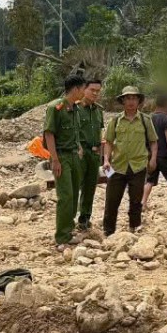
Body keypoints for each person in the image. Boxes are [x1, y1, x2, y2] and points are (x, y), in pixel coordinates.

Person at [101, 86, 157, 235]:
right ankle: (108, 230)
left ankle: (134, 226)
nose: (131, 101)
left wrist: (153, 160)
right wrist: (106, 159)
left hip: (138, 166)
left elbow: (153, 141)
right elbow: (109, 142)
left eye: (134, 98)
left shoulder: (145, 120)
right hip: (117, 165)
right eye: (128, 98)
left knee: (136, 200)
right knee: (112, 199)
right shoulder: (115, 120)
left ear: (138, 101)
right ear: (123, 101)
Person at [44, 74, 87, 250]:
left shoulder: (75, 109)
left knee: (74, 194)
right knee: (66, 196)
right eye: (83, 88)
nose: (84, 92)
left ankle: (68, 231)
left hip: (74, 156)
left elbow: (75, 133)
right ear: (76, 89)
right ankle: (62, 236)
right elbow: (49, 134)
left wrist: (79, 149)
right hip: (61, 156)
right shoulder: (56, 107)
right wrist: (54, 159)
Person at [75, 77, 105, 233]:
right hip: (80, 153)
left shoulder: (98, 111)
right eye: (92, 90)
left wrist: (102, 153)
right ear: (84, 90)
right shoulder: (76, 109)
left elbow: (100, 132)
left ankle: (84, 219)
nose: (95, 93)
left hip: (94, 154)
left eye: (98, 91)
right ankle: (69, 219)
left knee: (90, 188)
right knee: (75, 186)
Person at [145, 94, 167, 215]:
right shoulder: (166, 119)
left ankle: (143, 203)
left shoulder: (148, 119)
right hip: (165, 155)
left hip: (151, 155)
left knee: (149, 180)